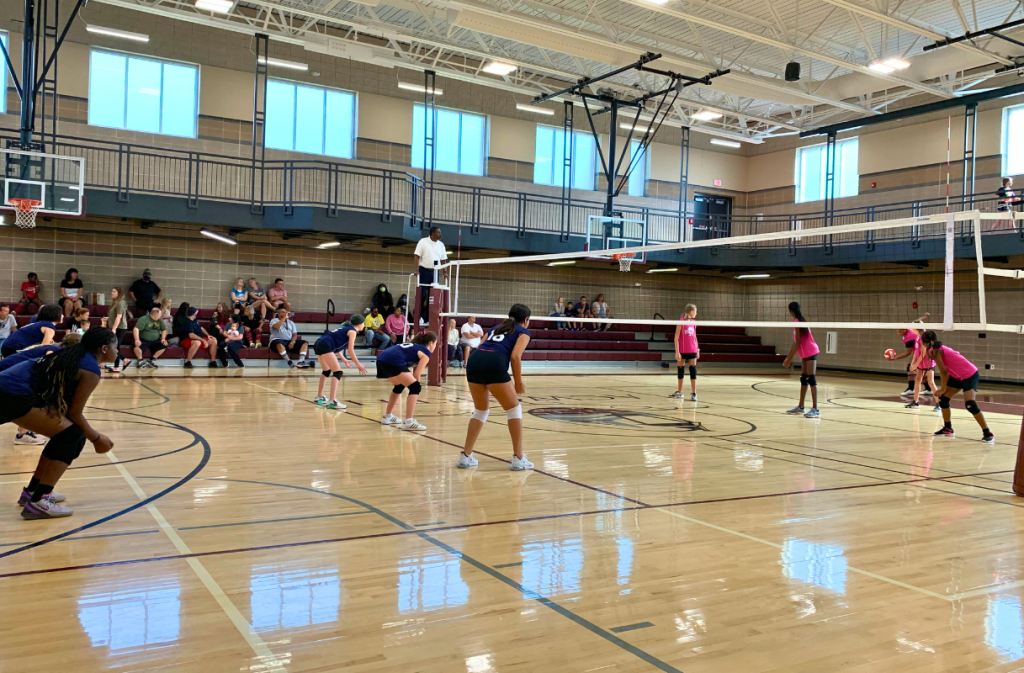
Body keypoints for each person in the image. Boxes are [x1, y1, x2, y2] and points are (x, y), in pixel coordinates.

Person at [1, 327, 117, 519]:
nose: (118, 351)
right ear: (104, 348)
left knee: (66, 434)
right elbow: (75, 413)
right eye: (115, 346)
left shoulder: (71, 354)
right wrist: (97, 439)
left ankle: (35, 491)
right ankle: (38, 502)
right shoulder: (90, 369)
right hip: (11, 394)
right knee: (72, 435)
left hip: (11, 392)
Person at [458, 304, 533, 470]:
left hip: (475, 360)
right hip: (494, 361)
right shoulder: (523, 332)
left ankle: (465, 456)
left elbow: (480, 346)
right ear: (526, 320)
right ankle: (518, 458)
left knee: (480, 410)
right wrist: (518, 382)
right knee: (514, 409)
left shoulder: (495, 328)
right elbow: (515, 357)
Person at [922, 331, 994, 442]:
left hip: (969, 375)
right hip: (957, 376)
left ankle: (987, 432)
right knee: (944, 399)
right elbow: (948, 369)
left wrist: (943, 389)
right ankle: (948, 428)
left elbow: (943, 372)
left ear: (923, 342)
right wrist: (944, 390)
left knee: (970, 404)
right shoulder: (937, 348)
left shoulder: (934, 351)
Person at [377, 332, 436, 432]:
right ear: (431, 343)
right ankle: (409, 422)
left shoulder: (414, 347)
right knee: (415, 387)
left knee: (399, 386)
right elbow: (417, 374)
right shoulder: (426, 352)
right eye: (436, 343)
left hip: (381, 359)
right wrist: (416, 389)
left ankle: (388, 416)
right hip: (393, 360)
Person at [313, 315, 368, 409]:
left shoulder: (346, 329)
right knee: (338, 372)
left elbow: (337, 349)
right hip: (325, 345)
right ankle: (332, 401)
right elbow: (350, 351)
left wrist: (344, 360)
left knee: (326, 371)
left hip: (319, 343)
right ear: (359, 324)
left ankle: (320, 397)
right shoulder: (352, 331)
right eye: (364, 323)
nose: (364, 325)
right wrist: (358, 364)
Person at [783, 301, 820, 418]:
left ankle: (815, 409)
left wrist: (789, 359)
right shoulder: (800, 320)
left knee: (811, 379)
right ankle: (801, 407)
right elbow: (796, 342)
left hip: (810, 351)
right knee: (804, 378)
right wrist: (788, 357)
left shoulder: (798, 321)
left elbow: (798, 342)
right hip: (805, 353)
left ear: (791, 311)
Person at [413, 226, 448, 325]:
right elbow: (416, 256)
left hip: (435, 272)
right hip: (423, 270)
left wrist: (444, 272)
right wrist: (416, 271)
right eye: (438, 232)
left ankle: (426, 318)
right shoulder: (423, 242)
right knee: (422, 294)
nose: (440, 234)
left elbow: (443, 260)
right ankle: (418, 316)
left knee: (432, 296)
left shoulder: (441, 245)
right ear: (432, 233)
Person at [905, 330, 938, 410]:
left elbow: (923, 353)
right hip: (921, 364)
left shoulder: (923, 338)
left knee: (931, 382)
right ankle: (916, 401)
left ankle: (939, 403)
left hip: (928, 362)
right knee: (917, 380)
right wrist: (912, 363)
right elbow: (916, 352)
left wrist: (915, 365)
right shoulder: (916, 338)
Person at [672, 304, 699, 401]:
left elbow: (695, 337)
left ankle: (694, 393)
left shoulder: (694, 322)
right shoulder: (681, 322)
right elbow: (676, 338)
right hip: (682, 350)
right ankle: (680, 392)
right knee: (680, 371)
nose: (696, 313)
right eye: (695, 311)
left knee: (693, 370)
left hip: (692, 349)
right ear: (691, 311)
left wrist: (697, 349)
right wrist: (677, 352)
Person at [107, 288, 130, 373]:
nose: (112, 293)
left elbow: (119, 317)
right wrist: (107, 319)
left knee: (115, 346)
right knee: (115, 346)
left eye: (114, 291)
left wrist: (114, 328)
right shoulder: (115, 302)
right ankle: (124, 360)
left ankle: (117, 366)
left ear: (119, 293)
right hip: (116, 327)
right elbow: (114, 316)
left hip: (119, 328)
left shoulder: (121, 303)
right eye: (111, 291)